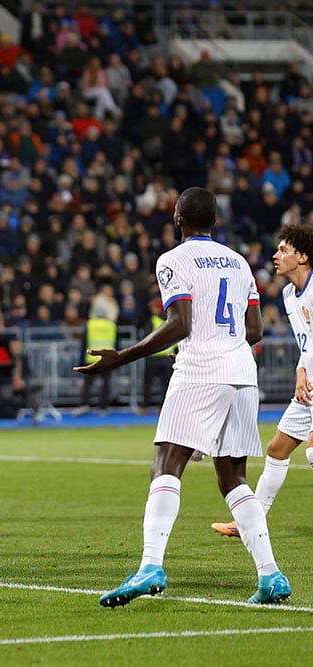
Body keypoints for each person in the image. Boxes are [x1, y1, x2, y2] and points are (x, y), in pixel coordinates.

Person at [75, 187, 291, 606]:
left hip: (200, 370)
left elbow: (179, 322)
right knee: (234, 478)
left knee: (166, 464)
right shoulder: (240, 261)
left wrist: (123, 357)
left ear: (177, 218)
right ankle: (271, 575)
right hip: (243, 373)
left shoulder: (172, 260)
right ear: (215, 220)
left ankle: (150, 566)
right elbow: (255, 331)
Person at [211, 224, 313, 537]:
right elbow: (307, 341)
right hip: (309, 382)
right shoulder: (287, 294)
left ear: (304, 256)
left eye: (284, 250)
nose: (276, 255)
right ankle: (249, 523)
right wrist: (301, 369)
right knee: (278, 449)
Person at [141, 298, 176, 408]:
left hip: (153, 357)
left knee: (147, 384)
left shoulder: (152, 321)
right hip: (167, 358)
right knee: (166, 385)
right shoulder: (171, 320)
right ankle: (164, 407)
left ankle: (145, 407)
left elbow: (145, 338)